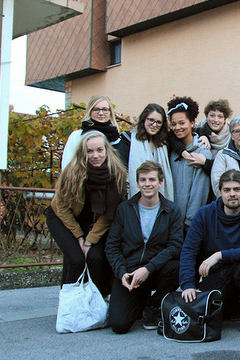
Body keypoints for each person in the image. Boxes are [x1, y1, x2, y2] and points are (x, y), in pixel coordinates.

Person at [179, 170, 240, 333]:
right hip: (217, 274)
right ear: (220, 192)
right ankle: (233, 308)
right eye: (227, 190)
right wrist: (188, 284)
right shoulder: (204, 214)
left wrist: (219, 255)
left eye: (237, 189)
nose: (232, 194)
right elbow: (189, 250)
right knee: (205, 311)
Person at [47, 130, 127, 297]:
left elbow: (108, 214)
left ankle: (96, 300)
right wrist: (78, 236)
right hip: (63, 218)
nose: (95, 155)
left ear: (107, 150)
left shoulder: (116, 174)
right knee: (76, 259)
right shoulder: (72, 171)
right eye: (89, 151)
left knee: (95, 257)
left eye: (99, 150)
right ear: (83, 153)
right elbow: (61, 206)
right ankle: (69, 303)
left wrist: (89, 241)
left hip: (93, 224)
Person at [105, 161, 183, 334]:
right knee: (119, 325)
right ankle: (139, 298)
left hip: (156, 269)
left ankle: (153, 305)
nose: (147, 184)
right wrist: (121, 272)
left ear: (160, 183)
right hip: (129, 271)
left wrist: (148, 269)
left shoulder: (171, 210)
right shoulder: (124, 209)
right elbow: (112, 246)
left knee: (178, 267)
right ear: (138, 183)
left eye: (152, 179)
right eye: (143, 180)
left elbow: (175, 246)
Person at [167, 96, 212, 228]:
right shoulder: (170, 149)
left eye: (182, 123)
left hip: (190, 224)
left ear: (192, 123)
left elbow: (199, 192)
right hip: (171, 220)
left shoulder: (202, 151)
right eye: (173, 124)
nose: (177, 127)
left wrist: (189, 221)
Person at [121, 103, 174, 200]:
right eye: (151, 120)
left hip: (160, 197)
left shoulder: (165, 143)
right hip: (136, 194)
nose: (154, 125)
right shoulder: (128, 139)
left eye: (158, 122)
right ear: (144, 119)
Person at [61, 95, 124, 169]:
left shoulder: (117, 140)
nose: (101, 113)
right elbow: (67, 166)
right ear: (90, 111)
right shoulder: (77, 137)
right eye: (96, 109)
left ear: (110, 112)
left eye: (105, 109)